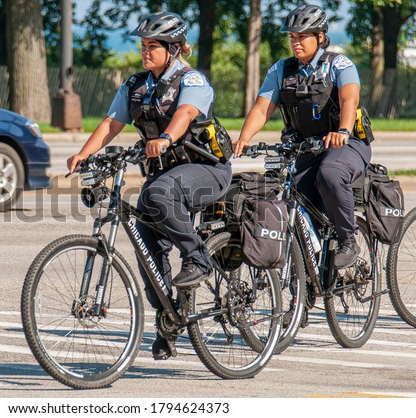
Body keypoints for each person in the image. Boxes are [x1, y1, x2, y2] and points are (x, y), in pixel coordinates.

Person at [67, 11, 232, 360]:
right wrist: (83, 154)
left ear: (173, 49)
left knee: (156, 192)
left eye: (153, 46)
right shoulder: (135, 85)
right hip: (167, 176)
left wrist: (167, 138)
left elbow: (186, 114)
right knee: (144, 234)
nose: (145, 51)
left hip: (206, 170)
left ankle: (198, 257)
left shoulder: (193, 81)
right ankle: (168, 319)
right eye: (143, 46)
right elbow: (112, 122)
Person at [233, 4, 371, 270]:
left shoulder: (339, 64)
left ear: (320, 37)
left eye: (302, 36)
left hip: (345, 144)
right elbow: (262, 107)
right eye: (292, 37)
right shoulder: (282, 71)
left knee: (330, 174)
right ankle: (307, 277)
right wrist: (244, 139)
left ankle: (348, 240)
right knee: (285, 195)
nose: (295, 42)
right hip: (304, 147)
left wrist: (342, 131)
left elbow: (349, 99)